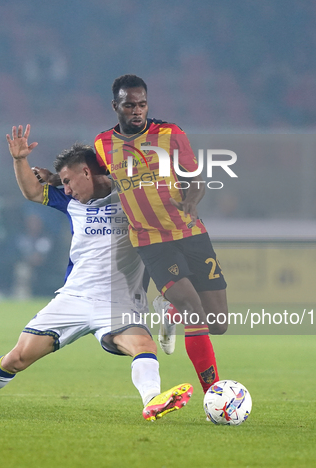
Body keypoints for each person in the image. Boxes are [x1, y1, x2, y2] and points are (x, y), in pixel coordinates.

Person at [0, 125, 192, 420]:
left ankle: (152, 400)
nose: (67, 188)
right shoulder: (72, 202)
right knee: (18, 357)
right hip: (73, 298)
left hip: (118, 302)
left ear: (87, 173)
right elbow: (33, 191)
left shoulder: (131, 198)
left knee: (143, 344)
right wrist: (19, 160)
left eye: (68, 181)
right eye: (63, 183)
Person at [94, 75, 228, 394]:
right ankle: (214, 393)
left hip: (191, 233)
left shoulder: (170, 134)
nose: (137, 111)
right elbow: (95, 181)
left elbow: (195, 181)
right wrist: (56, 179)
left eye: (142, 104)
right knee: (193, 307)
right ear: (116, 107)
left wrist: (192, 202)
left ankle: (169, 310)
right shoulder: (102, 144)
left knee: (219, 324)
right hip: (151, 241)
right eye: (129, 105)